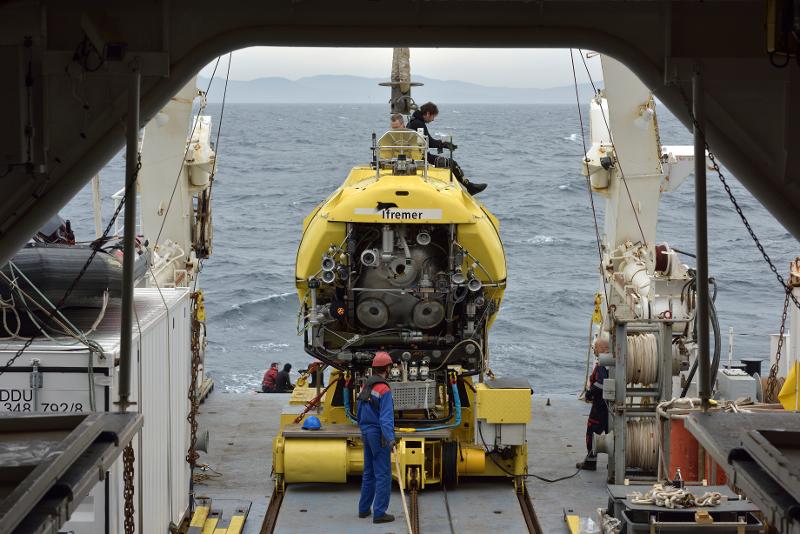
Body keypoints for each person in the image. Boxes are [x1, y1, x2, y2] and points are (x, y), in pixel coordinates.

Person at [407, 102, 487, 195]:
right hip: (422, 158)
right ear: (428, 113)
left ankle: (468, 185)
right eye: (433, 117)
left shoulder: (412, 121)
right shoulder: (419, 123)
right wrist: (443, 144)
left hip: (417, 155)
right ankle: (470, 187)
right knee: (451, 163)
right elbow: (429, 143)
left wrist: (442, 144)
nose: (433, 120)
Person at [357, 351, 396, 523]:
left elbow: (358, 412)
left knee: (369, 473)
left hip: (366, 432)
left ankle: (363, 509)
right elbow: (386, 418)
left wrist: (363, 429)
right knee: (383, 474)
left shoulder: (366, 386)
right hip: (378, 434)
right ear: (387, 368)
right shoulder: (384, 389)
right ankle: (379, 512)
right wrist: (390, 438)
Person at [578, 335, 610, 471]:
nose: (594, 350)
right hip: (610, 406)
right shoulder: (612, 363)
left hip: (600, 407)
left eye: (595, 347)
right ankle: (614, 463)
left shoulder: (602, 364)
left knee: (592, 432)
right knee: (612, 432)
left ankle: (590, 462)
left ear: (602, 349)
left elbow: (601, 384)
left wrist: (589, 394)